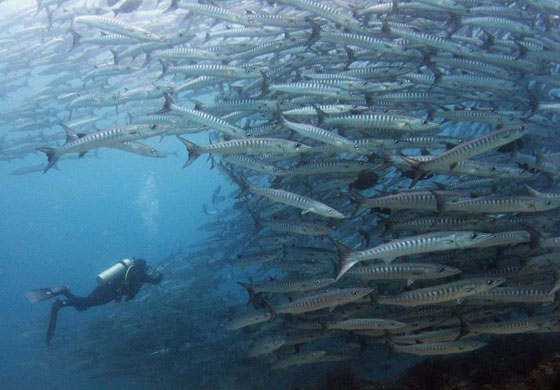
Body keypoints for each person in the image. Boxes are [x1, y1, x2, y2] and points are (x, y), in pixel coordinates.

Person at [26, 258, 163, 344]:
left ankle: (65, 294)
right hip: (111, 293)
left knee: (84, 305)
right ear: (143, 266)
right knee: (85, 304)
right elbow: (155, 282)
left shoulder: (127, 270)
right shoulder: (140, 273)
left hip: (103, 287)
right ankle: (62, 299)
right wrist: (161, 273)